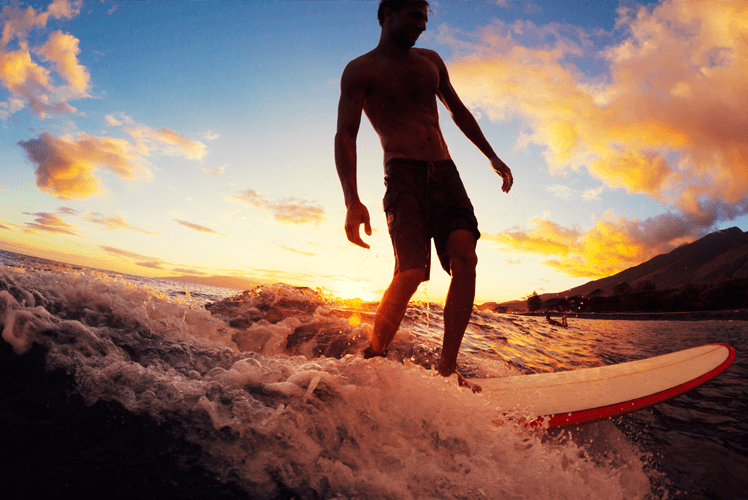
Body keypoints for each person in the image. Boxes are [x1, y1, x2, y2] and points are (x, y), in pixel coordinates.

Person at [334, 0, 513, 392]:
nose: (423, 26)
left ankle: (448, 370)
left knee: (466, 256)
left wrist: (492, 156)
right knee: (411, 272)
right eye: (415, 17)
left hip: (446, 173)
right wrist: (352, 199)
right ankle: (375, 354)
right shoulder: (361, 70)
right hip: (402, 176)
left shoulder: (430, 60)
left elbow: (458, 111)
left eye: (425, 18)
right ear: (388, 15)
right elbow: (346, 135)